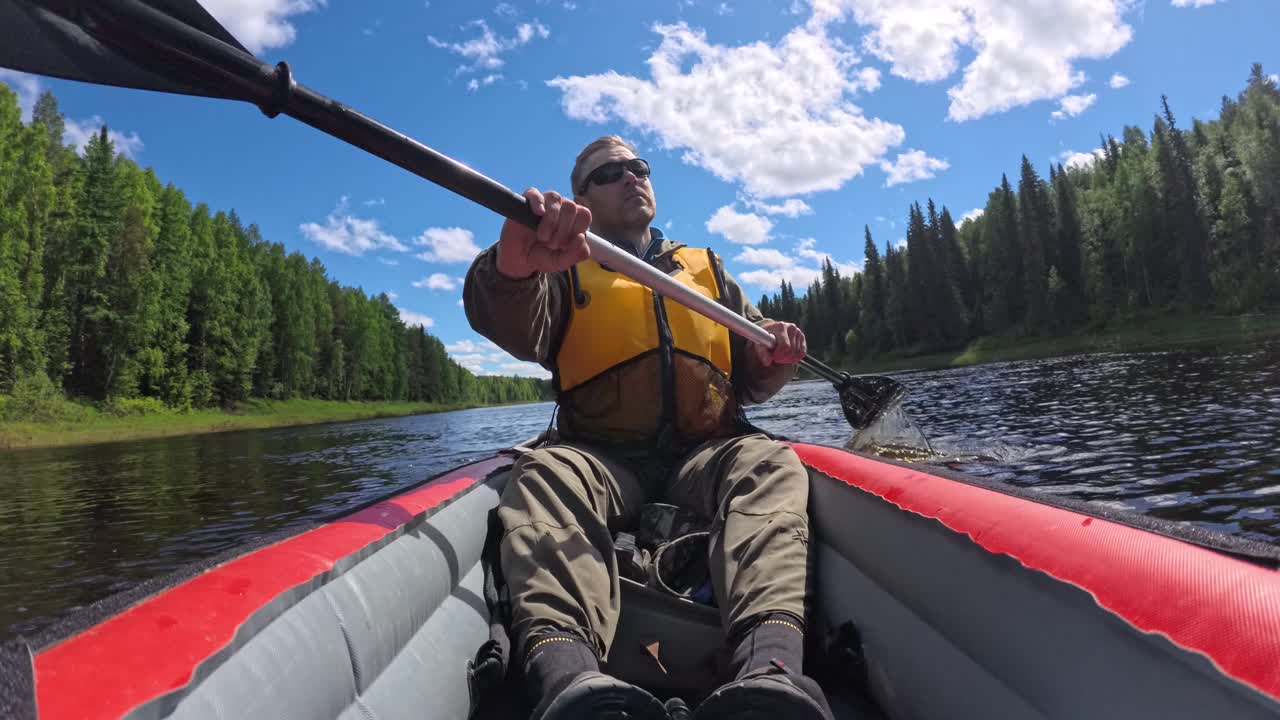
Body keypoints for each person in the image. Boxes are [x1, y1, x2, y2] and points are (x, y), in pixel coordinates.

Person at [463, 136, 834, 720]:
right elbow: (509, 318)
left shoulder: (707, 271)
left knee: (769, 462)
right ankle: (568, 678)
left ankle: (771, 672)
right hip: (602, 457)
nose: (630, 176)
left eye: (638, 166)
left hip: (703, 455)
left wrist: (773, 357)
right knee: (542, 475)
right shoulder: (561, 264)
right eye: (608, 173)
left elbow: (751, 376)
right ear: (581, 196)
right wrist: (514, 265)